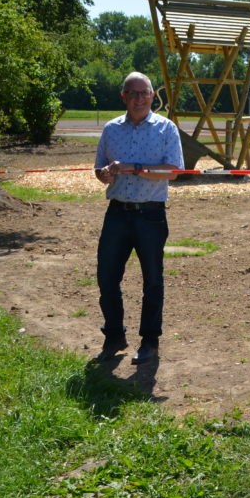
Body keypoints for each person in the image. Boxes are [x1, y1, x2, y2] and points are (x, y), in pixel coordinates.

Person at [93, 72, 185, 364]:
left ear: (152, 97)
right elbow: (99, 169)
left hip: (151, 214)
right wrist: (104, 174)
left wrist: (133, 167)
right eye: (132, 93)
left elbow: (173, 171)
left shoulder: (166, 129)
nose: (139, 98)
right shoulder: (111, 130)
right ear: (123, 97)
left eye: (144, 93)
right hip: (117, 212)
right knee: (107, 278)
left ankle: (149, 342)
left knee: (153, 281)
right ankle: (114, 336)